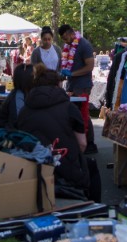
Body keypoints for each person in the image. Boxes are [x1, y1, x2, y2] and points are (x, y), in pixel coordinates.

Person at [15, 66, 101, 202]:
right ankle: (96, 211)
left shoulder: (24, 110)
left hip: (32, 171)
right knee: (91, 167)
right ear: (58, 84)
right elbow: (82, 144)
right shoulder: (69, 107)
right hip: (67, 172)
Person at [59, 24, 96, 153]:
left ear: (71, 33)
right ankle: (86, 142)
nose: (65, 41)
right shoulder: (68, 46)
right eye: (63, 39)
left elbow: (90, 66)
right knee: (77, 113)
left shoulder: (84, 45)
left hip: (83, 85)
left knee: (83, 113)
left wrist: (72, 74)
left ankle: (87, 144)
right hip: (72, 85)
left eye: (65, 38)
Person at [0, 63, 35, 129]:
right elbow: (19, 122)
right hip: (9, 134)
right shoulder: (18, 96)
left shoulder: (25, 93)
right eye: (34, 77)